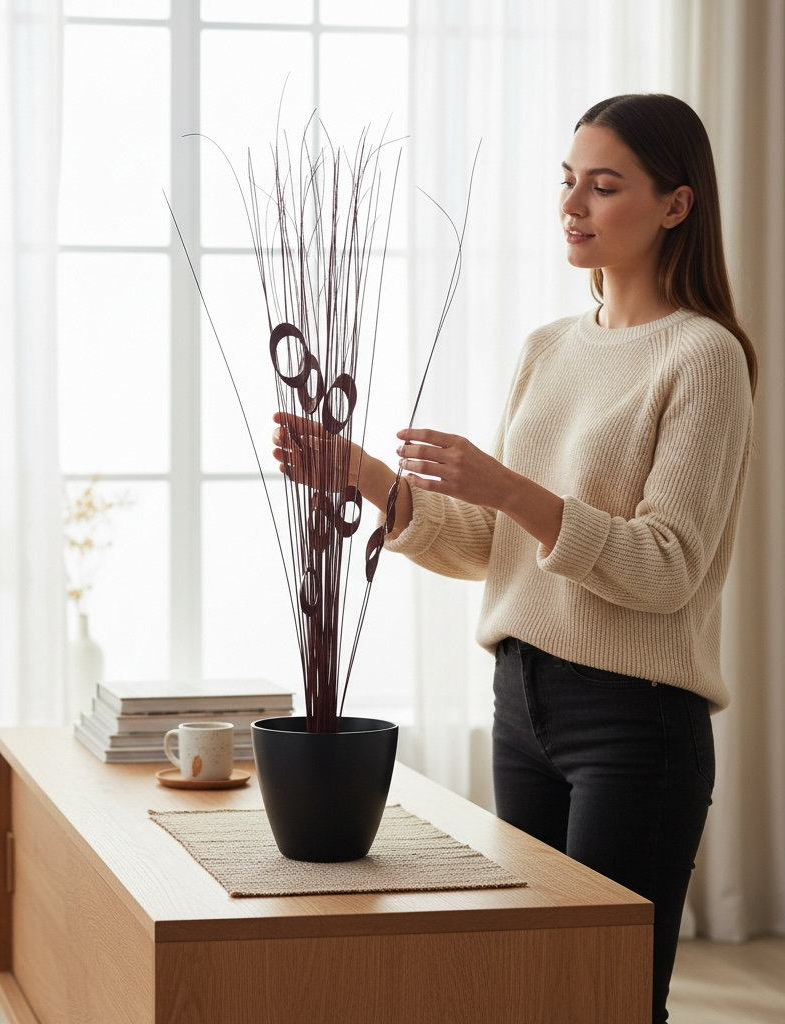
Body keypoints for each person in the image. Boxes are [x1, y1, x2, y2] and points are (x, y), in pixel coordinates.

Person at [272, 93, 756, 1024]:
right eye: (568, 180)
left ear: (676, 205)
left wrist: (508, 488)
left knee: (606, 998)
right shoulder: (548, 349)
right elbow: (495, 551)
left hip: (634, 724)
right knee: (526, 990)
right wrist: (364, 475)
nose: (572, 204)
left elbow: (666, 569)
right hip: (521, 702)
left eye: (604, 185)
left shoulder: (704, 358)